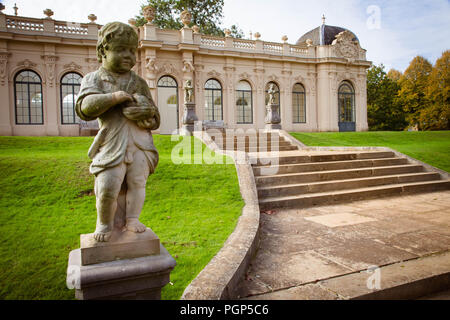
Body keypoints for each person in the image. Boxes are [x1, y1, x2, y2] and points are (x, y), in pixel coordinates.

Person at [76, 22, 160, 242]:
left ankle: (132, 219)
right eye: (121, 49)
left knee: (137, 183)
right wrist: (114, 98)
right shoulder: (94, 78)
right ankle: (104, 224)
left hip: (140, 141)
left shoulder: (139, 82)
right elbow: (85, 107)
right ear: (104, 51)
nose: (129, 56)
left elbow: (155, 117)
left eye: (132, 50)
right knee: (107, 187)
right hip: (112, 143)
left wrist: (147, 113)